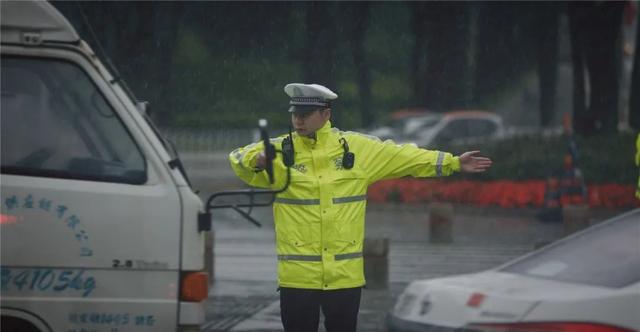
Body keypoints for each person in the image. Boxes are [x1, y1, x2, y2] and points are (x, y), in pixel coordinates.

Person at [228, 83, 492, 332]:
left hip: (345, 279)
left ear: (325, 114)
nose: (298, 119)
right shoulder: (279, 150)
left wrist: (454, 163)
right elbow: (238, 157)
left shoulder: (356, 148)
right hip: (297, 279)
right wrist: (258, 160)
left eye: (306, 114)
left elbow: (405, 156)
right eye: (295, 113)